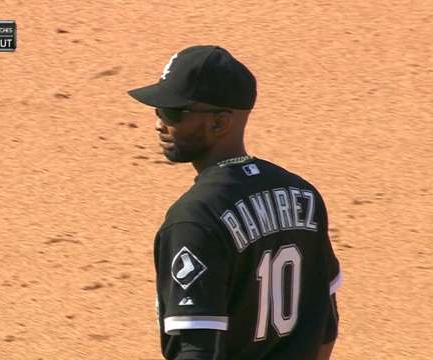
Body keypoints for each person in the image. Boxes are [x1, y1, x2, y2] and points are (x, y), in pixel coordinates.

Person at [127, 45, 342, 360]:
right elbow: (327, 324)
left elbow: (195, 349)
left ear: (219, 124)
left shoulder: (195, 218)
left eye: (173, 112)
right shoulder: (302, 195)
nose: (159, 123)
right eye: (158, 110)